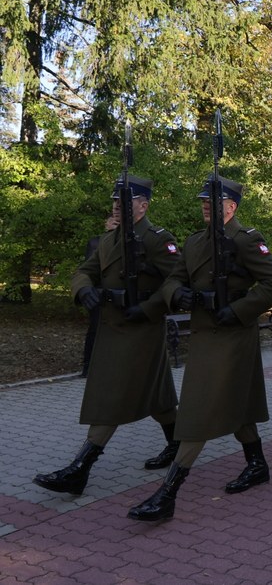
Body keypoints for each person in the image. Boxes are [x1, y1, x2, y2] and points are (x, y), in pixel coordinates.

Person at [127, 176, 272, 522]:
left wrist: (240, 310)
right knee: (237, 405)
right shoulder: (196, 241)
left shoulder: (246, 241)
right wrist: (177, 294)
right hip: (204, 334)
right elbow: (173, 278)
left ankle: (168, 494)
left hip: (231, 336)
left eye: (212, 202)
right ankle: (257, 464)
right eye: (203, 200)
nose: (204, 205)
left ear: (230, 207)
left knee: (198, 410)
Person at [34, 177, 182, 497]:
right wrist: (83, 288)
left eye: (125, 200)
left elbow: (177, 282)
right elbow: (85, 269)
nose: (117, 204)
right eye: (115, 200)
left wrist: (147, 307)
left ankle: (80, 469)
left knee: (112, 397)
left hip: (140, 330)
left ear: (143, 206)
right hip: (112, 329)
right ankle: (177, 444)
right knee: (159, 398)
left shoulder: (158, 239)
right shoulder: (109, 238)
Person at [79, 214, 118, 377]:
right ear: (106, 223)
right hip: (98, 294)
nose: (114, 224)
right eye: (112, 221)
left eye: (117, 222)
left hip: (116, 295)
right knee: (95, 330)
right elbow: (89, 268)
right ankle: (88, 366)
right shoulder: (96, 242)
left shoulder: (128, 243)